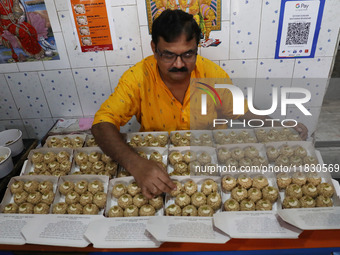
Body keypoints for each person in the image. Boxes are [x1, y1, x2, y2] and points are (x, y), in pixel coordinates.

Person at [92, 9, 307, 199]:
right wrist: (135, 164)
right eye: (168, 55)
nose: (179, 64)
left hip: (212, 168)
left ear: (197, 47)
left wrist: (278, 125)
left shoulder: (212, 75)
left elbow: (243, 111)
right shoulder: (137, 77)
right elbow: (102, 123)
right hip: (157, 168)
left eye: (188, 54)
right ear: (154, 48)